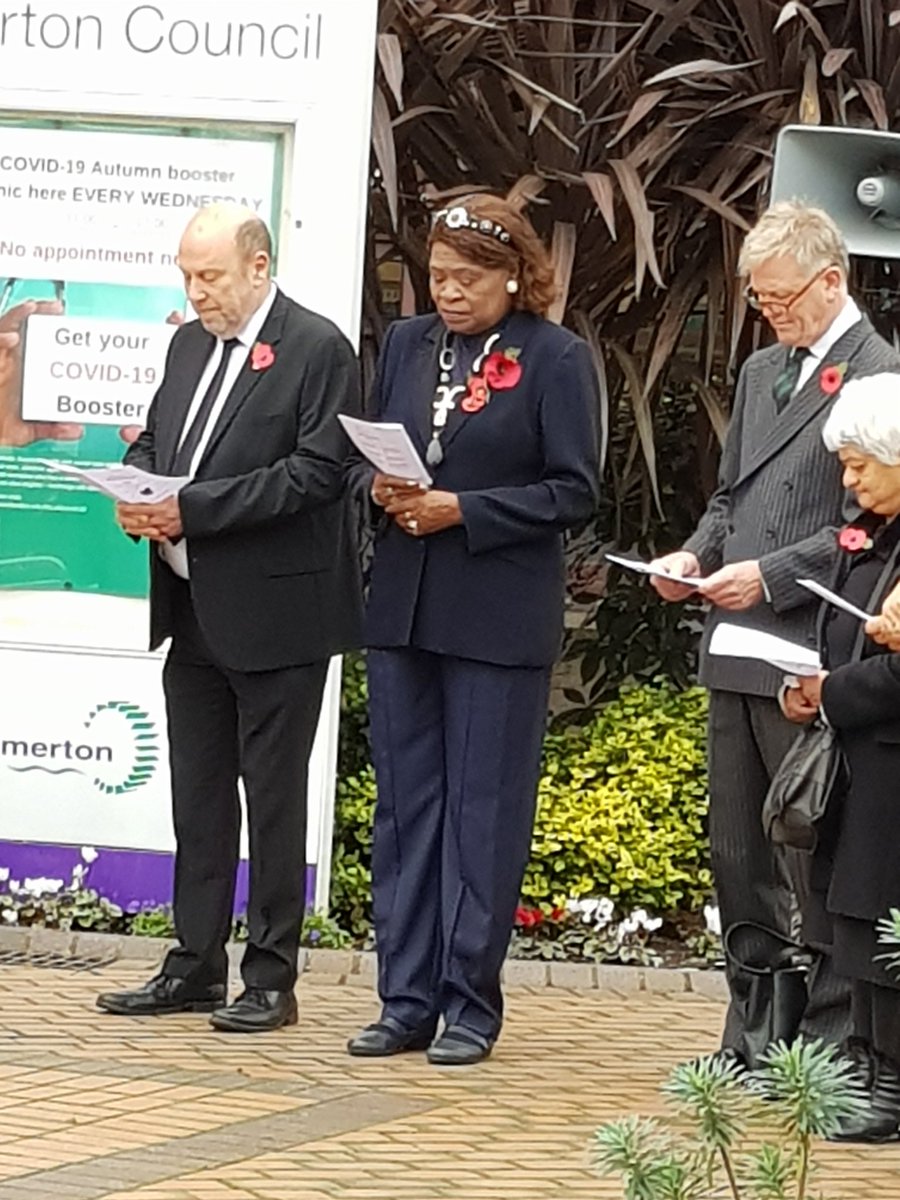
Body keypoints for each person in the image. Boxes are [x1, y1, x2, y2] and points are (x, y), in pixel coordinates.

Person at [345, 193, 600, 1066]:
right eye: (438, 276)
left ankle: (469, 1006)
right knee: (405, 809)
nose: (448, 293)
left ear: (514, 277)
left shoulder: (556, 357)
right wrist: (376, 490)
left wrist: (468, 509)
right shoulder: (412, 345)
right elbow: (367, 455)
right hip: (406, 610)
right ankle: (403, 998)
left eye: (468, 279)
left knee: (481, 815)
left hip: (494, 613)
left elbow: (575, 490)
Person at [96, 203, 362, 1032]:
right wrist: (137, 489)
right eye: (186, 274)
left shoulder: (318, 349)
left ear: (258, 264)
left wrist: (191, 511)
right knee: (199, 797)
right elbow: (156, 443)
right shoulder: (186, 345)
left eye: (209, 275)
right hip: (193, 609)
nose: (195, 291)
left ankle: (272, 979)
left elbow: (317, 474)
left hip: (277, 613)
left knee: (272, 799)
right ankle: (194, 964)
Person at [650, 201, 900, 1063]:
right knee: (737, 848)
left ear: (832, 280)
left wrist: (770, 574)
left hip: (808, 636)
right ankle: (750, 1032)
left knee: (809, 845)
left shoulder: (879, 371)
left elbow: (861, 525)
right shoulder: (762, 370)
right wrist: (693, 555)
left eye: (784, 297)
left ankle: (823, 1046)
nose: (771, 314)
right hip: (733, 633)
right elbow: (731, 497)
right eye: (760, 299)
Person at [782, 373, 900, 1142]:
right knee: (852, 921)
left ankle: (891, 1083)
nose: (849, 480)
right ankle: (862, 1062)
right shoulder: (879, 531)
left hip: (892, 758)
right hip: (864, 757)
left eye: (861, 463)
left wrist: (833, 691)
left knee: (886, 924)